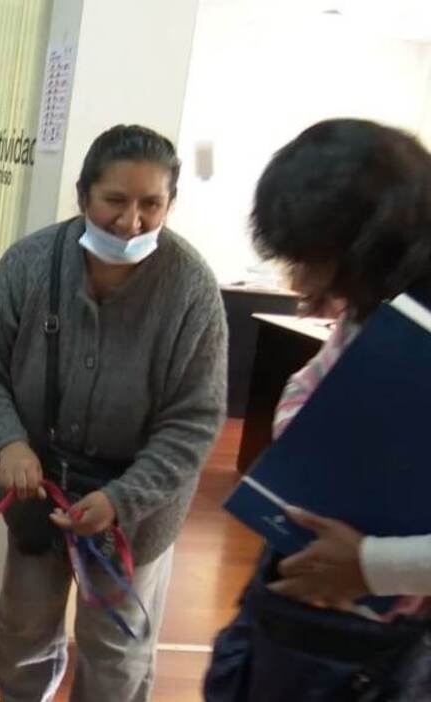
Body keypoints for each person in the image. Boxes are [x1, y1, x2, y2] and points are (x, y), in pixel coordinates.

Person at [0, 125, 228, 702]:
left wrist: (122, 500)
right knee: (24, 630)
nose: (131, 222)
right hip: (40, 492)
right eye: (115, 202)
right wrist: (9, 443)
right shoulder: (31, 264)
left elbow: (195, 421)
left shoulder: (192, 290)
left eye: (151, 205)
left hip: (137, 507)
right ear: (84, 196)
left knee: (116, 649)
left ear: (169, 205)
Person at [204, 119, 431, 702]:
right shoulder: (377, 309)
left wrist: (374, 565)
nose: (304, 284)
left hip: (377, 638)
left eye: (314, 260)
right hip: (298, 607)